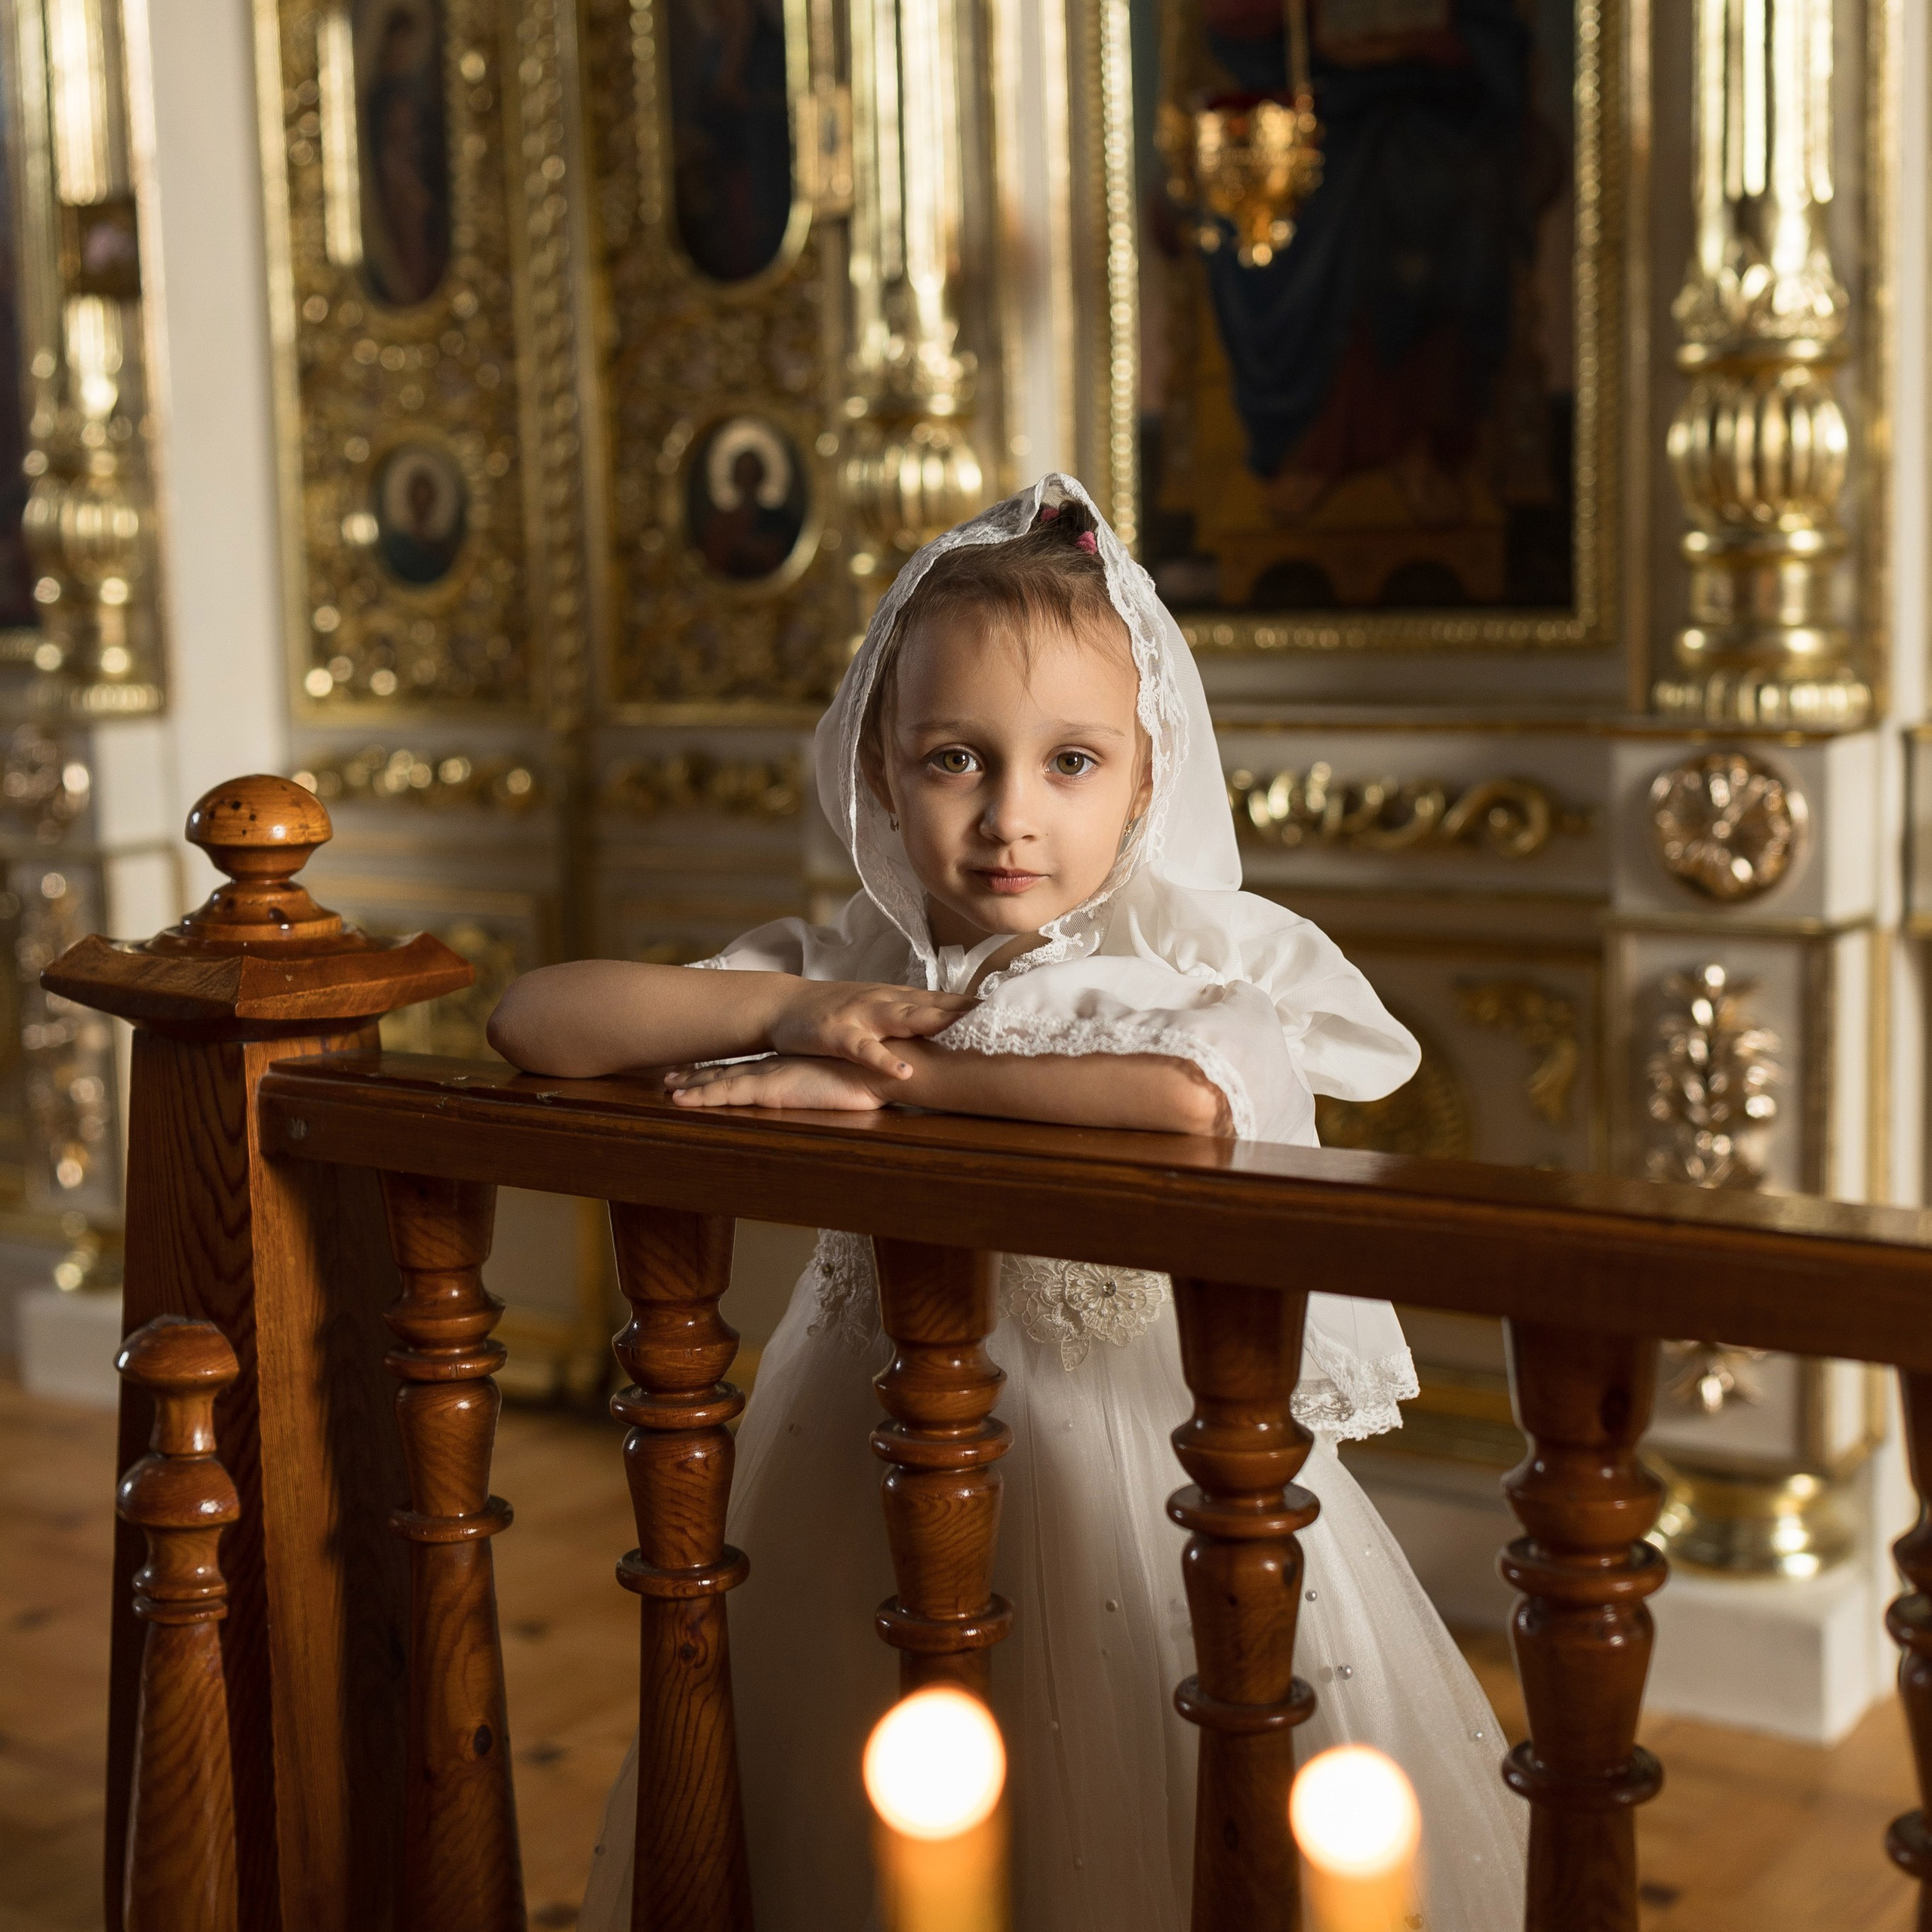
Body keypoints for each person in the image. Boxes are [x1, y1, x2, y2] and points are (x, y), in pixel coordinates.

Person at [488, 475, 1526, 1931]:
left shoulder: (1172, 960)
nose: (1009, 817)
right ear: (881, 767)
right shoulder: (853, 965)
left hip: (1133, 1463)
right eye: (955, 759)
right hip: (860, 1447)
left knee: (1143, 1789)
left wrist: (900, 1084)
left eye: (1072, 761)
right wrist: (793, 1012)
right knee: (852, 1787)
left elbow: (1192, 1095)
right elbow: (536, 1020)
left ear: (1146, 782)